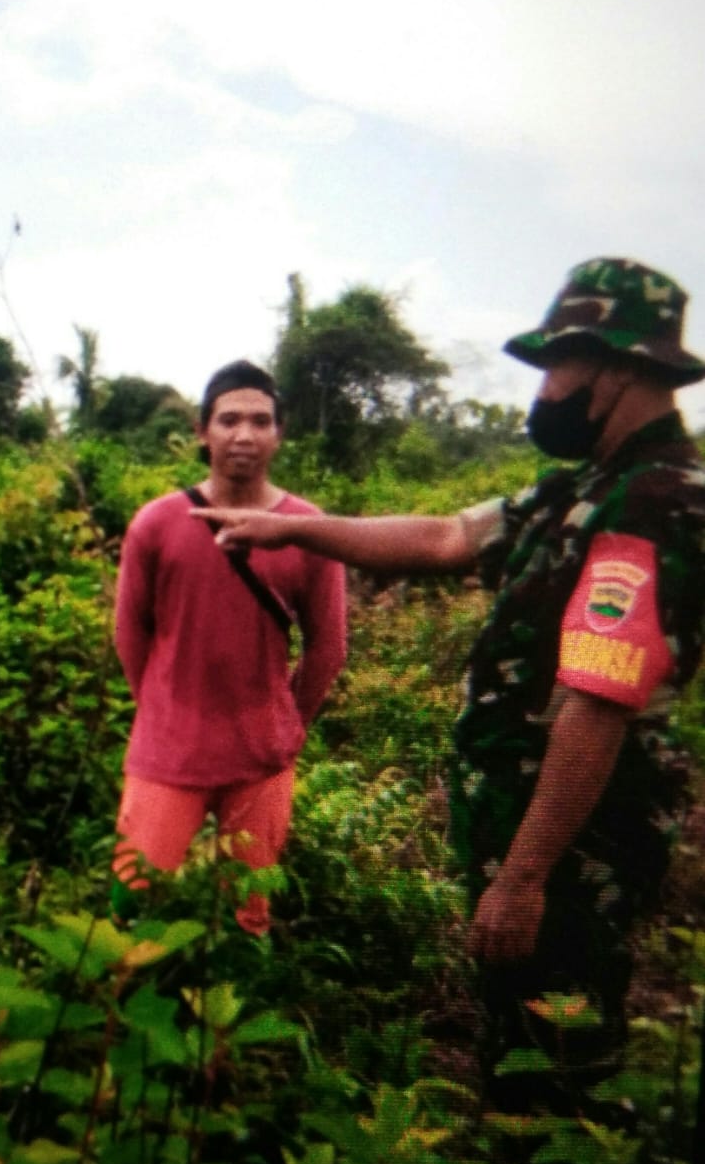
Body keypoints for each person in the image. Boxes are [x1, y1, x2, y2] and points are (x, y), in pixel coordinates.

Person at [193, 258, 705, 1108]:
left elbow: (597, 703)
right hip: (536, 838)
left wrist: (524, 878)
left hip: (577, 855)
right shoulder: (581, 490)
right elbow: (441, 537)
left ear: (613, 365)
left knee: (556, 1054)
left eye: (556, 366)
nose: (543, 390)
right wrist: (289, 532)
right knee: (518, 1039)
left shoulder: (649, 507)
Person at [113, 360, 347, 930]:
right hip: (168, 752)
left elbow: (328, 646)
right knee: (132, 903)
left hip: (261, 754)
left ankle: (231, 1010)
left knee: (249, 910)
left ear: (279, 433)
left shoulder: (309, 529)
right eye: (229, 420)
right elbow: (130, 632)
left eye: (260, 421)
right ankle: (120, 1009)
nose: (244, 434)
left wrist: (291, 722)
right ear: (203, 431)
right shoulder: (158, 523)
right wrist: (161, 708)